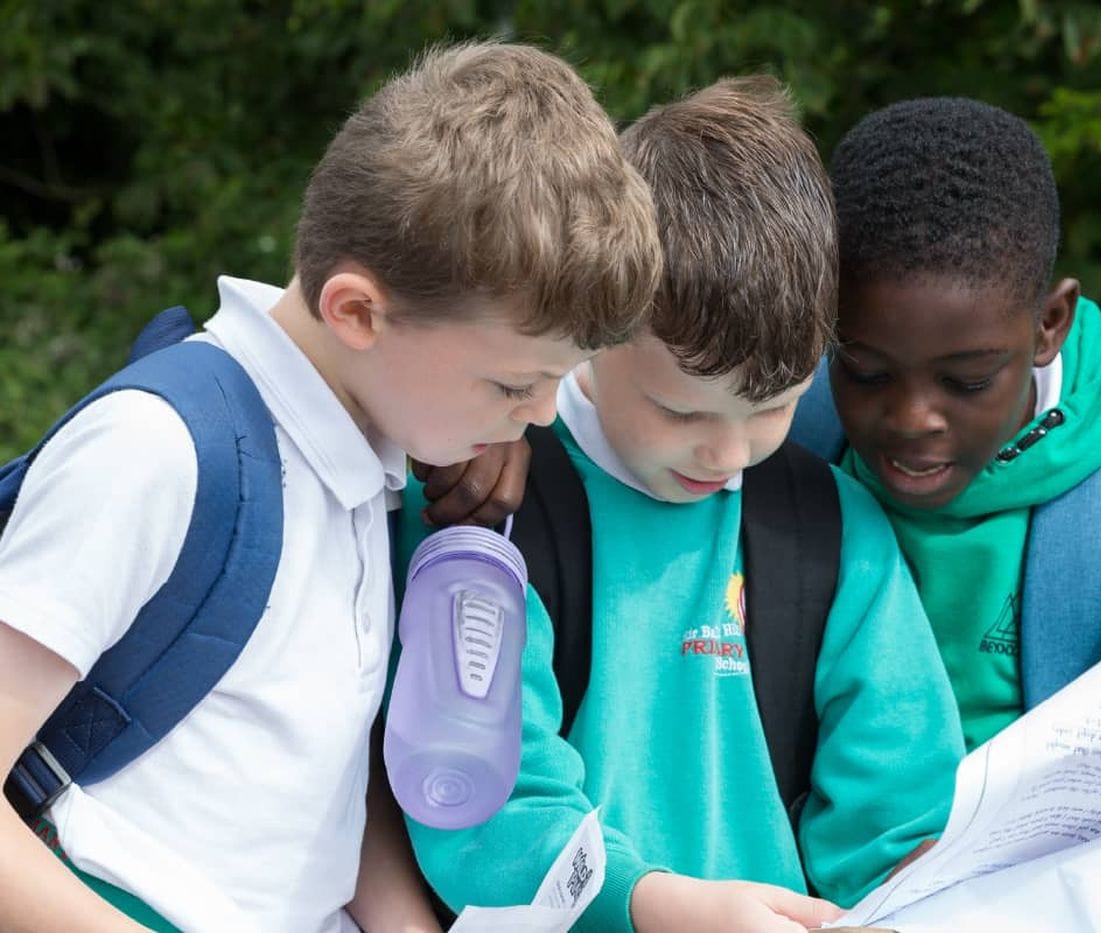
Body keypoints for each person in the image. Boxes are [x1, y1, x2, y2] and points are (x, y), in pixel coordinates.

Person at [0, 41, 660, 932]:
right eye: (514, 385)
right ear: (357, 311)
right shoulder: (157, 450)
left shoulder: (366, 471)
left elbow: (323, 797)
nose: (542, 416)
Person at [397, 77, 965, 933]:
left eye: (772, 407)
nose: (730, 455)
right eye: (683, 411)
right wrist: (656, 907)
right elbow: (475, 810)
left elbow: (900, 820)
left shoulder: (834, 528)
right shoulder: (481, 503)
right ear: (592, 319)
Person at [802, 96, 1101, 751]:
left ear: (1049, 325)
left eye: (968, 380)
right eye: (865, 370)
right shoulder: (776, 450)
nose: (913, 418)